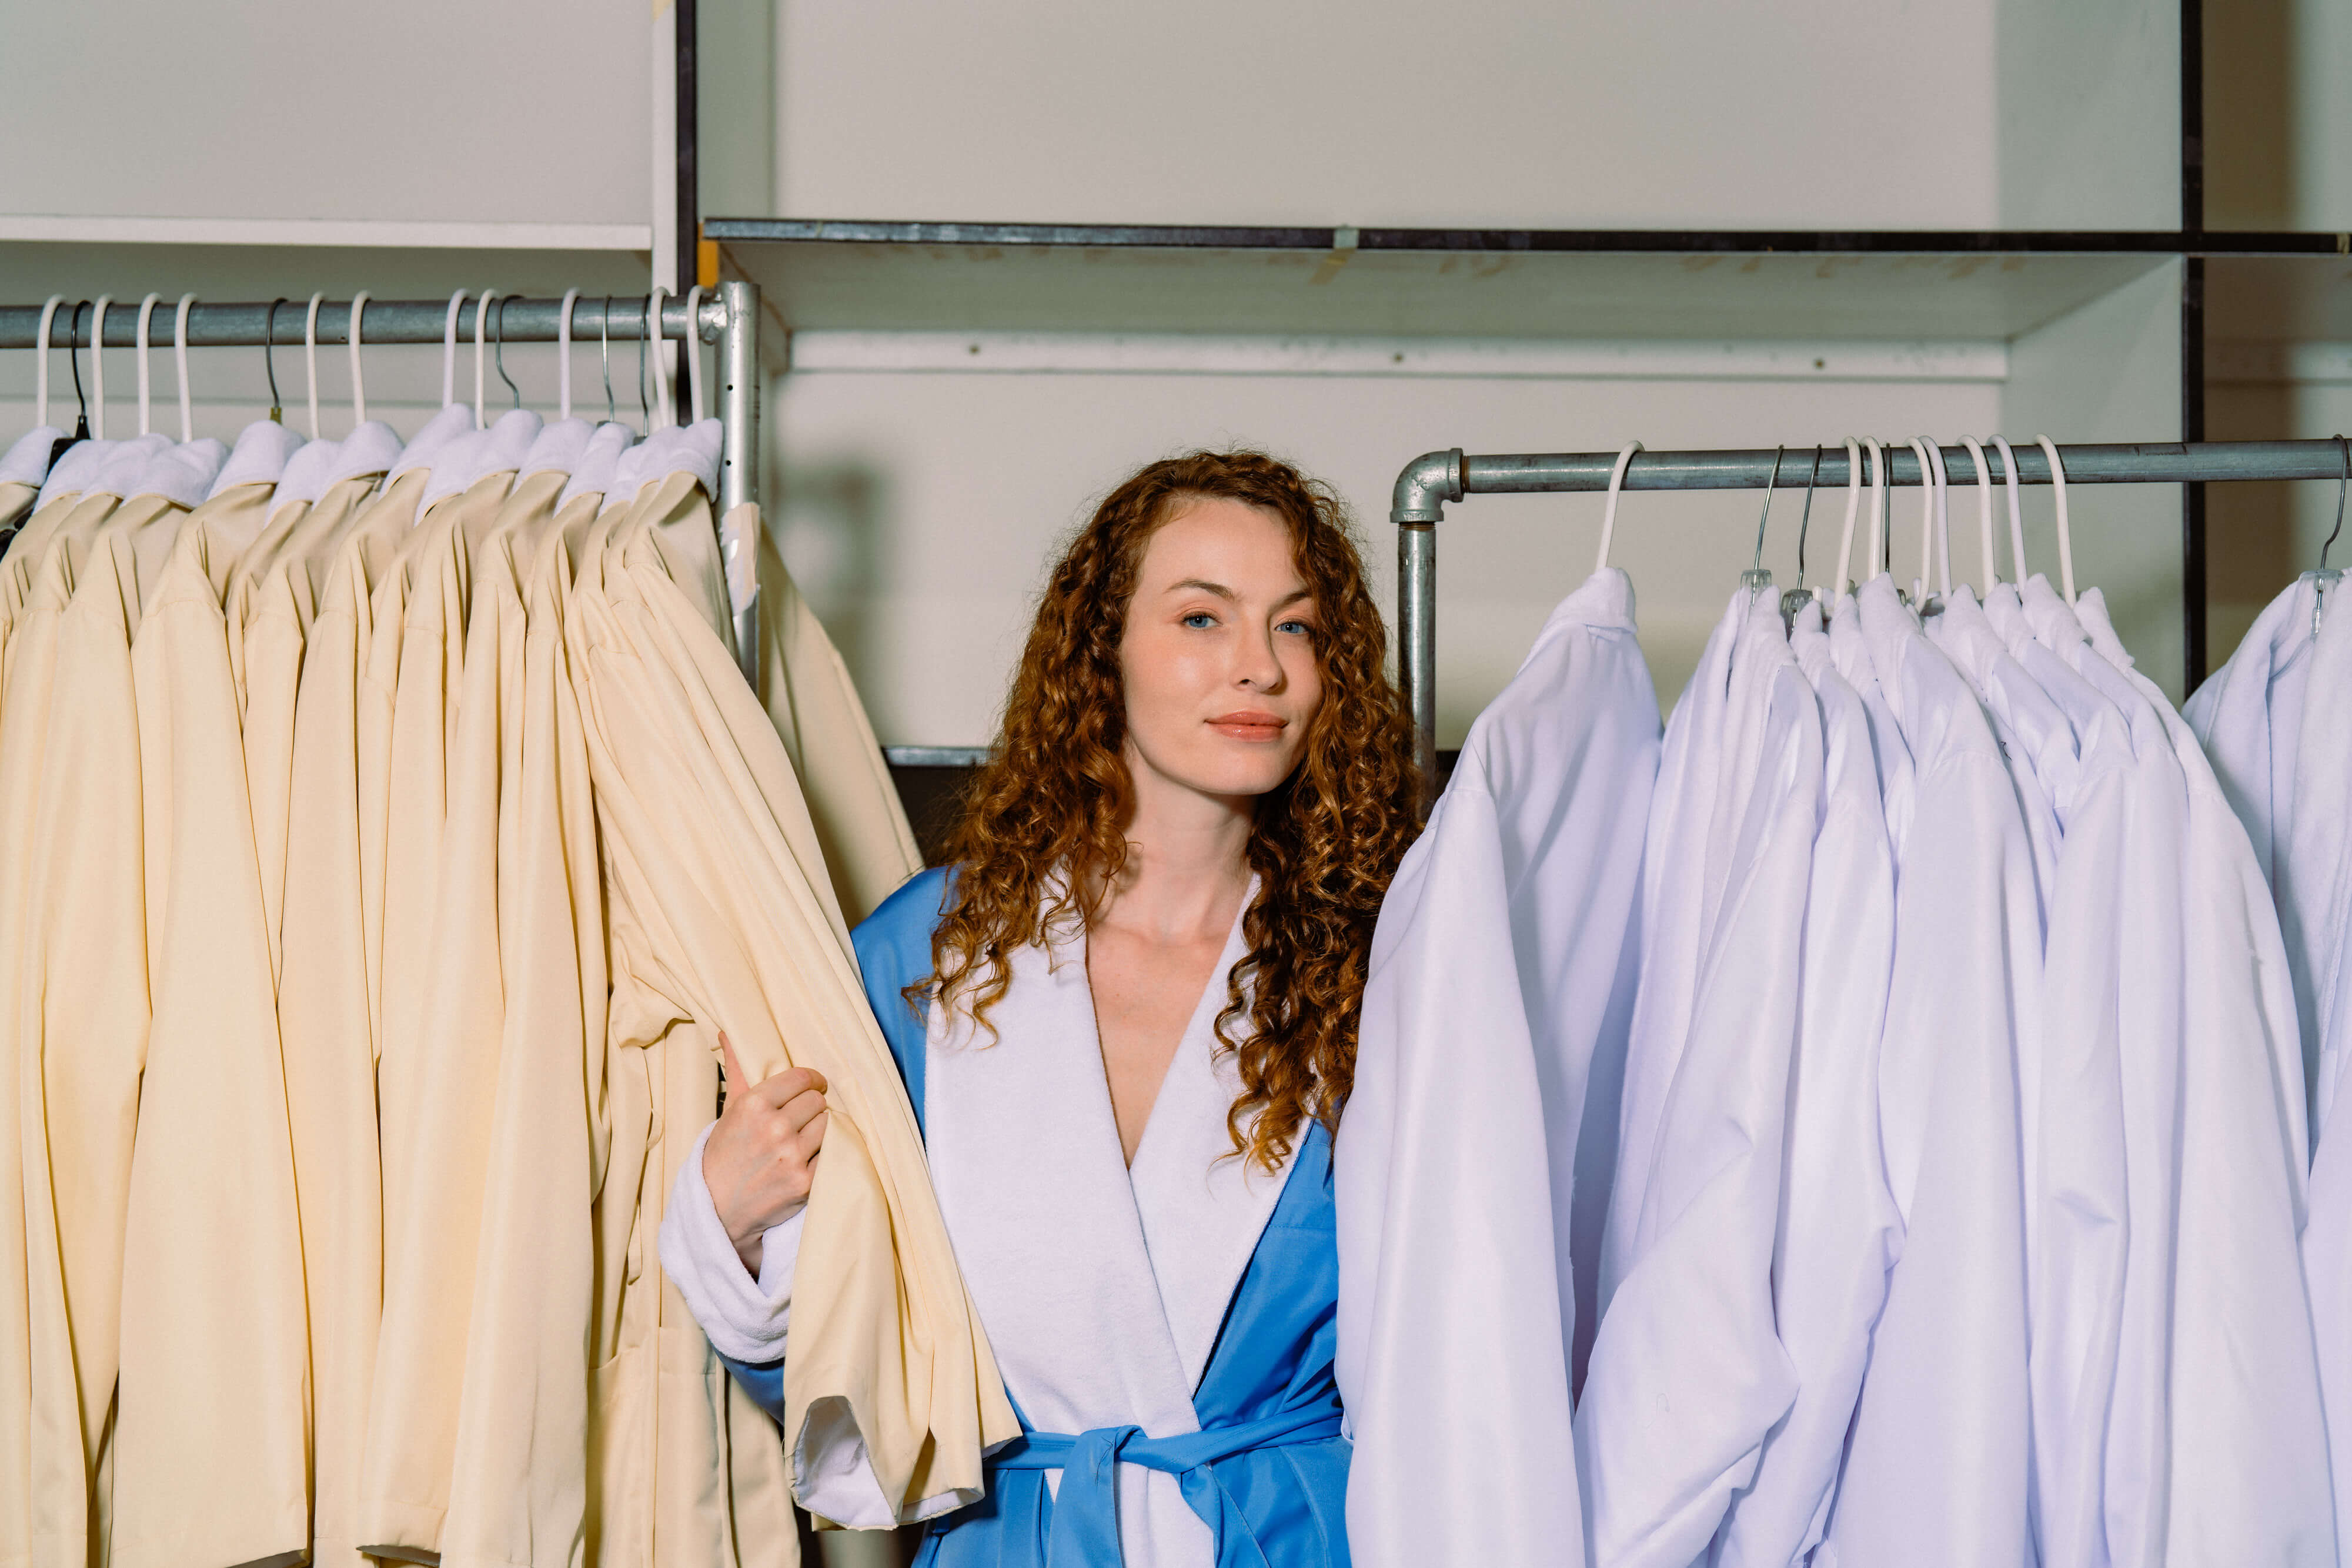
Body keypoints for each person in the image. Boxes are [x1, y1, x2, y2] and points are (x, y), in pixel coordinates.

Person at [659, 449, 1420, 1567]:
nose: (1258, 668)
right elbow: (851, 1338)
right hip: (1011, 1541)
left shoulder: (1385, 964)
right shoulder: (931, 956)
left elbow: (1467, 1316)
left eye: (1296, 628)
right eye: (1203, 619)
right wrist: (725, 1222)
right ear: (1102, 652)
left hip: (1297, 1538)